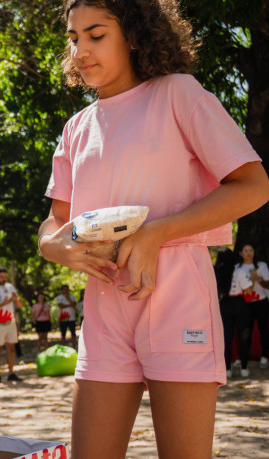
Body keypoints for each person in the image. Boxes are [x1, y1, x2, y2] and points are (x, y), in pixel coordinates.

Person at [37, 0, 269, 457]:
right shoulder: (76, 128)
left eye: (96, 35)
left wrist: (155, 233)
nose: (80, 51)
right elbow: (57, 220)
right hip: (104, 305)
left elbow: (254, 185)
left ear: (134, 34)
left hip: (178, 296)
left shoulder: (178, 93)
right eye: (73, 38)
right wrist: (51, 246)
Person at [232, 243, 269, 374]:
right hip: (244, 304)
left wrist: (258, 279)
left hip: (261, 301)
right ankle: (243, 358)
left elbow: (268, 284)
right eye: (245, 251)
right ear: (240, 253)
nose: (248, 253)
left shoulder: (261, 266)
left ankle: (264, 357)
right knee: (245, 331)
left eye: (251, 250)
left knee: (263, 329)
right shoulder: (237, 268)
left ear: (254, 252)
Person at [216, 248, 252, 378]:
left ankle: (227, 369)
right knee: (243, 337)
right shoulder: (239, 271)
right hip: (239, 304)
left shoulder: (215, 272)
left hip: (224, 305)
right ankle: (244, 368)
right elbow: (248, 290)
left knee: (226, 338)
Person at [0, 268, 23, 383]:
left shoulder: (10, 287)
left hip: (10, 322)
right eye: (2, 277)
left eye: (5, 277)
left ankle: (11, 373)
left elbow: (20, 305)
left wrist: (16, 298)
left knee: (11, 347)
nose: (4, 279)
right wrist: (5, 303)